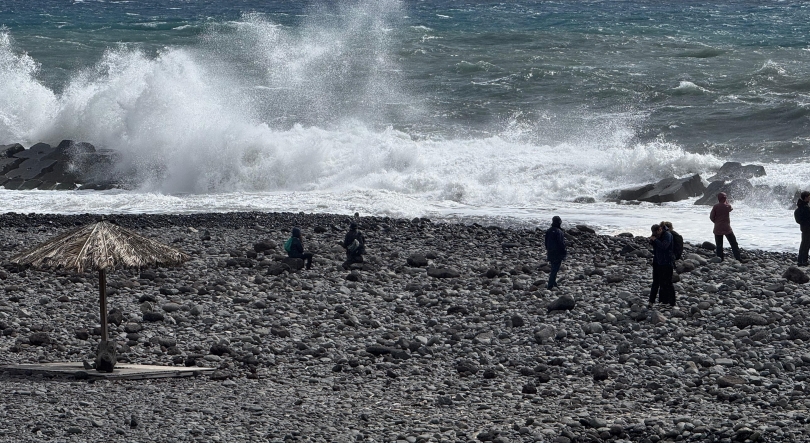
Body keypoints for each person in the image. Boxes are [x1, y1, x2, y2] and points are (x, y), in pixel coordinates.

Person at [649, 223, 676, 307]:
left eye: (656, 233)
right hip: (657, 261)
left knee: (667, 282)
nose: (655, 235)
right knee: (656, 282)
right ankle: (652, 301)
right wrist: (652, 240)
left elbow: (664, 246)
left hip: (667, 262)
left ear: (660, 229)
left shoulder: (668, 235)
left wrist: (655, 240)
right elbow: (654, 246)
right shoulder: (656, 234)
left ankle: (671, 302)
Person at [709, 192, 741, 261]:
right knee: (733, 243)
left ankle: (720, 259)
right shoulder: (727, 206)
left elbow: (711, 217)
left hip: (717, 228)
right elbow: (731, 208)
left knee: (719, 245)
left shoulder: (715, 206)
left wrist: (716, 222)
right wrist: (726, 202)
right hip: (727, 228)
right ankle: (738, 258)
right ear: (725, 198)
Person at [544, 216, 567, 290]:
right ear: (559, 222)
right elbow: (561, 243)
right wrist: (564, 252)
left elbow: (546, 242)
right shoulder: (558, 231)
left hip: (550, 252)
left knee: (553, 268)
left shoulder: (549, 230)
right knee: (555, 269)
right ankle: (550, 285)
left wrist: (548, 250)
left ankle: (554, 283)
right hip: (557, 253)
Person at [795, 191, 810, 266]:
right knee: (805, 244)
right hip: (807, 228)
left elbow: (798, 220)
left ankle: (801, 260)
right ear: (805, 197)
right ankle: (803, 261)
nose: (809, 198)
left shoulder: (801, 206)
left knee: (804, 244)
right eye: (809, 196)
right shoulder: (805, 207)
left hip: (804, 228)